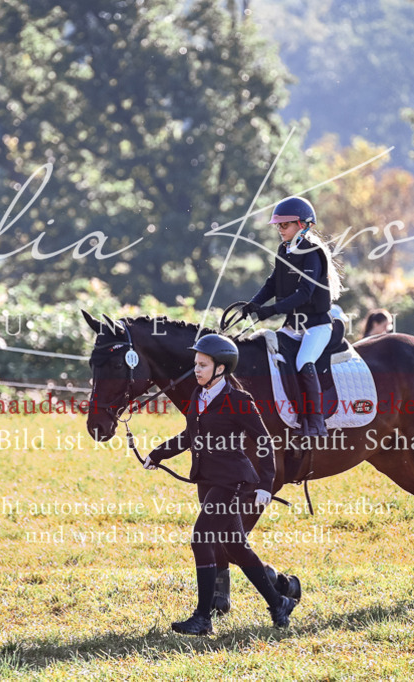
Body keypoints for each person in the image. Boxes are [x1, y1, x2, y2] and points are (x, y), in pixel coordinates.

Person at [144, 334, 297, 635]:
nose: (197, 370)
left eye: (203, 365)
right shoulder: (198, 396)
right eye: (196, 364)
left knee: (202, 538)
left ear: (221, 368)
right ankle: (279, 602)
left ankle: (203, 618)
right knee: (236, 547)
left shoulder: (239, 401)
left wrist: (265, 484)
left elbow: (264, 442)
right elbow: (189, 436)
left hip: (233, 482)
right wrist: (157, 453)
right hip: (207, 480)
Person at [241, 196, 342, 437]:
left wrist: (272, 310)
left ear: (302, 225)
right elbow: (272, 283)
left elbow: (305, 293)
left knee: (303, 361)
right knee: (272, 356)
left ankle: (316, 423)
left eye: (284, 225)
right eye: (278, 225)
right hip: (293, 326)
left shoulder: (312, 252)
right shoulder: (284, 250)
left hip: (317, 326)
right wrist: (254, 304)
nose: (280, 229)